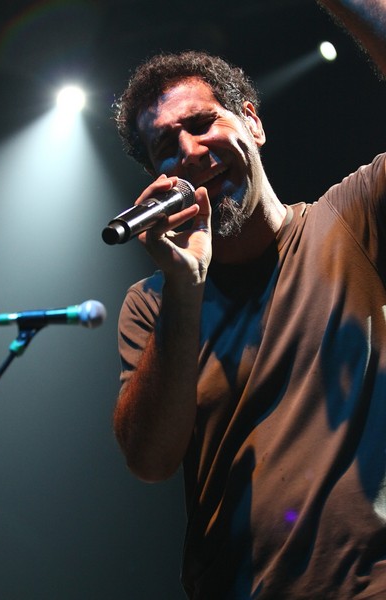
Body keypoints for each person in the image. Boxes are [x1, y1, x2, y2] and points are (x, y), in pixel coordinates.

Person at [112, 1, 386, 597]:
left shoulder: (353, 216)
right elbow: (150, 460)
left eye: (201, 123)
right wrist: (185, 286)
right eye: (165, 146)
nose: (189, 150)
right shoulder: (154, 303)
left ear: (252, 123)